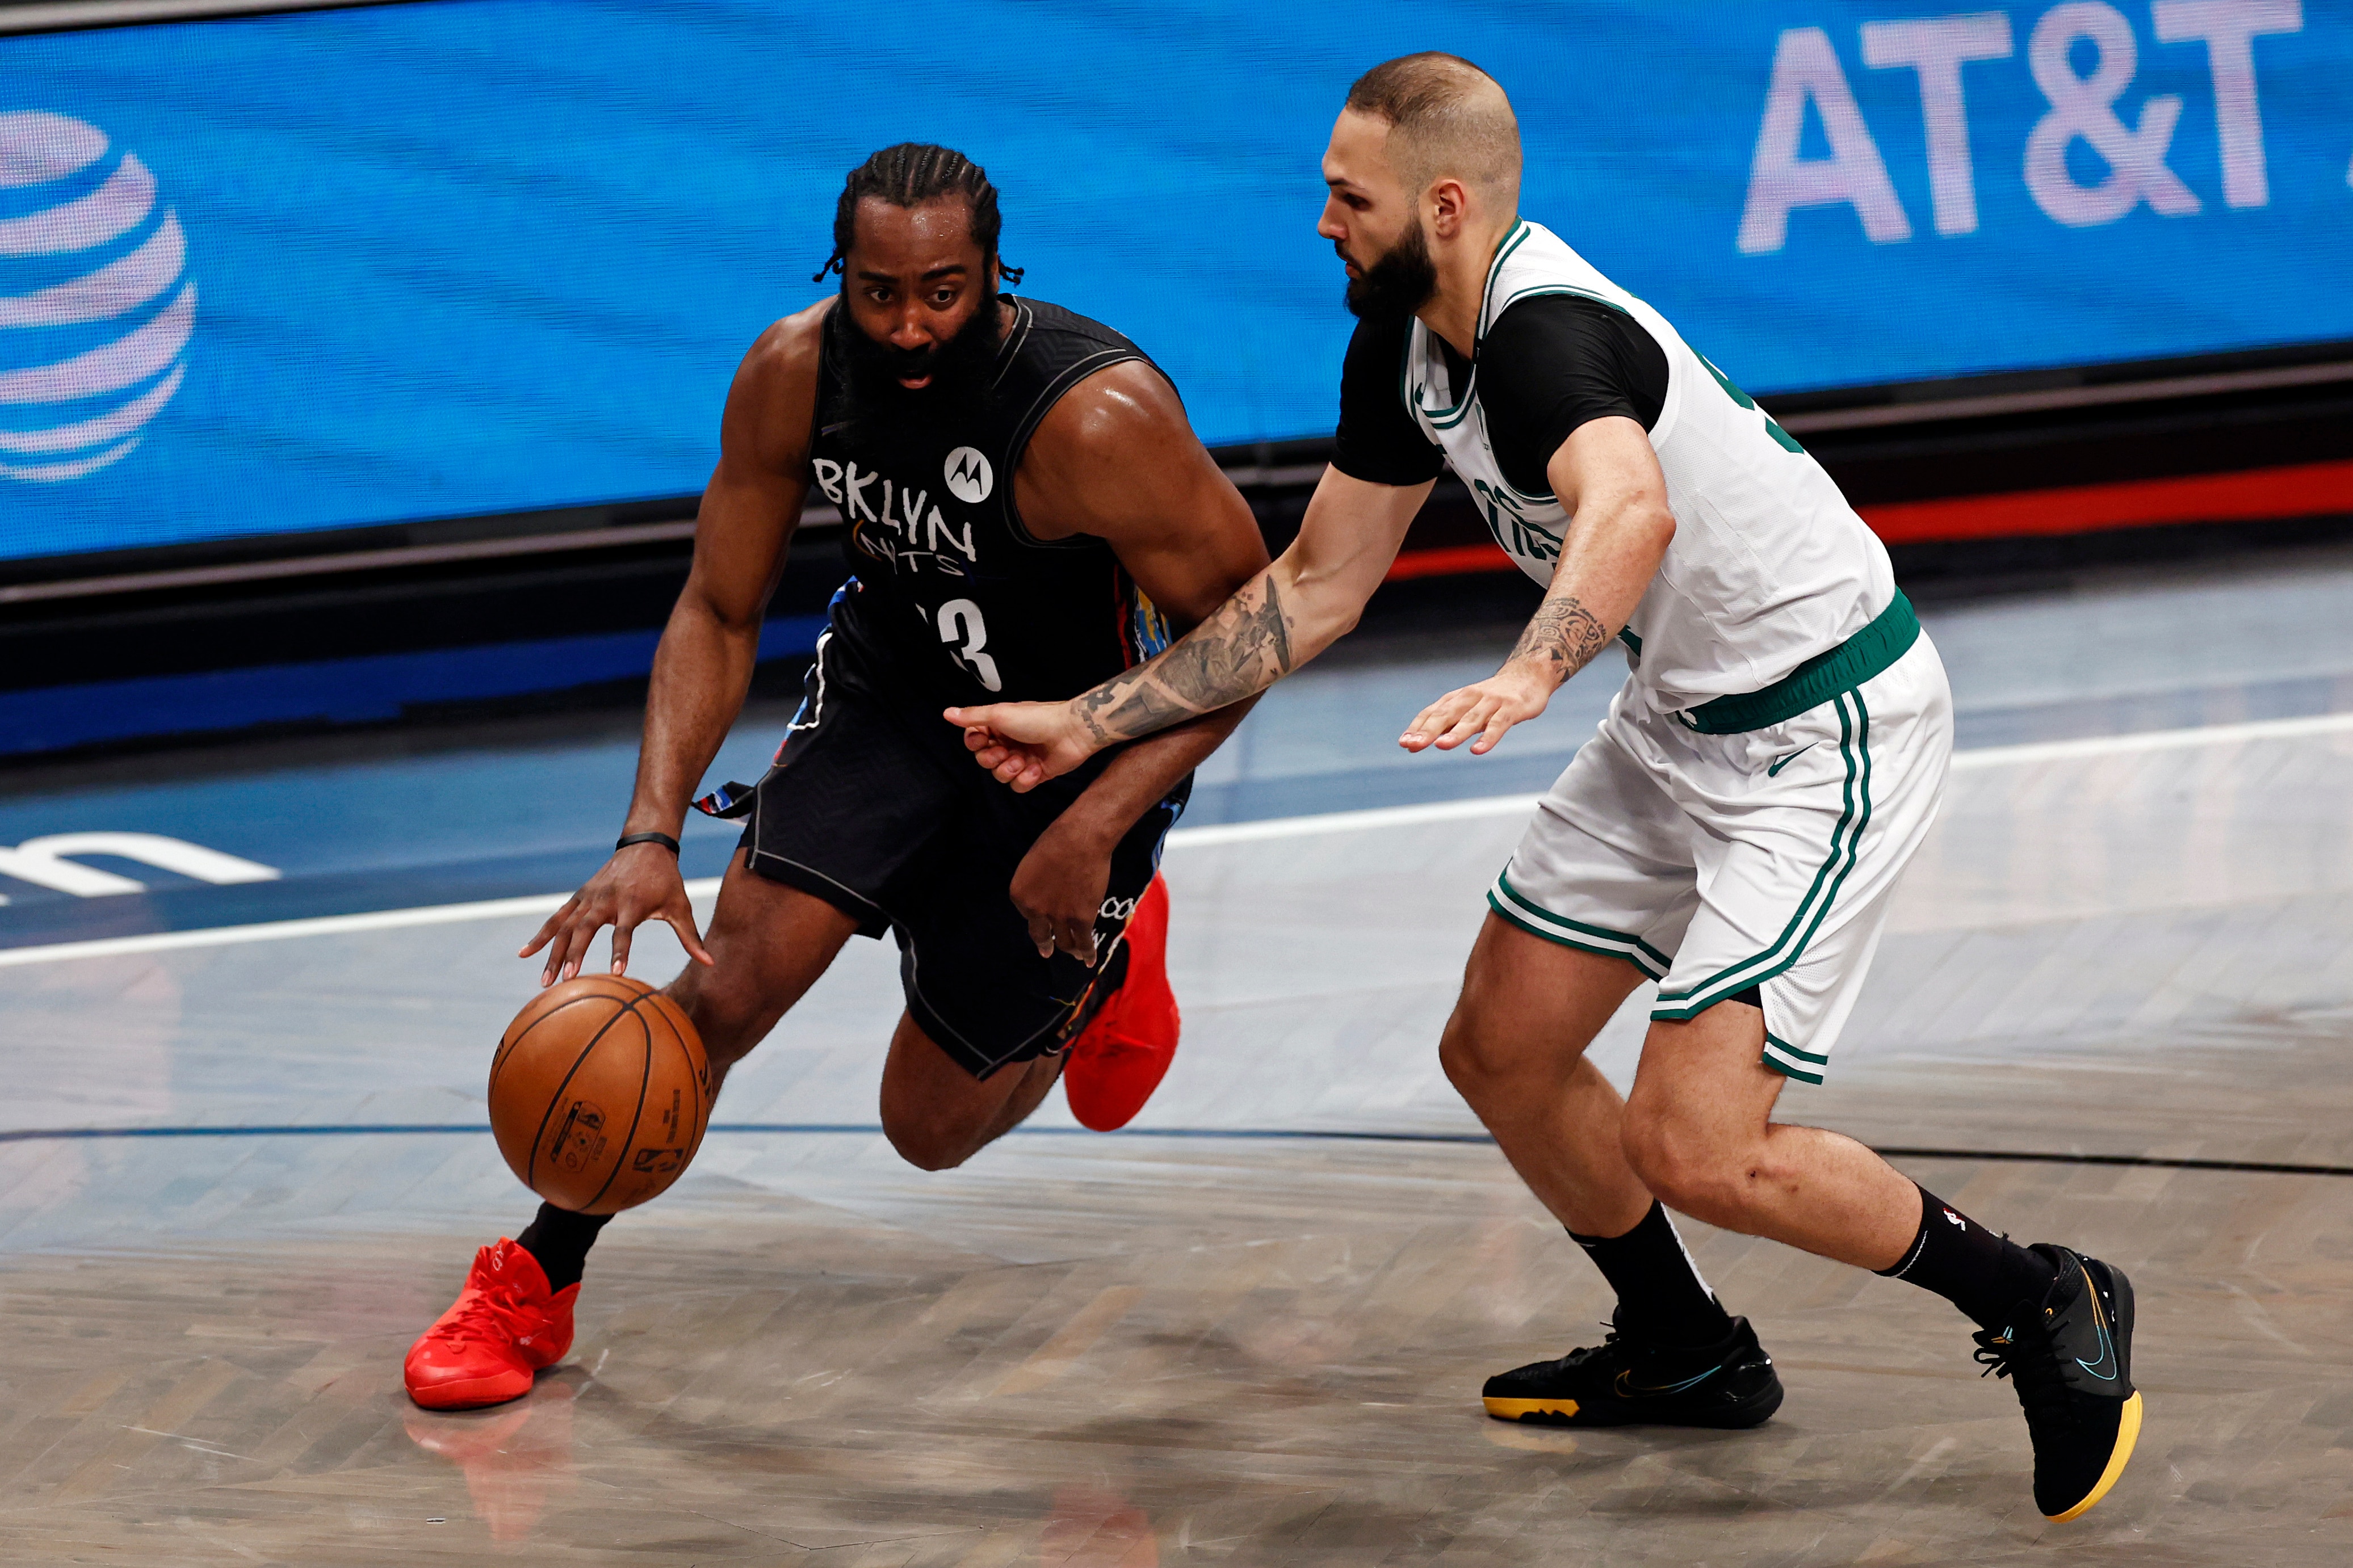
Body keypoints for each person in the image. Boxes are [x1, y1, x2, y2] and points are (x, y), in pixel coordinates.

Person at [942, 58, 2141, 1523]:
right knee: (1502, 1045)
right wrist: (1090, 715)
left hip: (1821, 730)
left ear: (1443, 207)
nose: (1320, 219)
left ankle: (2041, 1299)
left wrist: (1530, 671)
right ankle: (1686, 1346)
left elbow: (1631, 506)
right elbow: (1314, 585)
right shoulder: (1402, 342)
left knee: (1694, 1144)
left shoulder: (1547, 334)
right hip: (1678, 715)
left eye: (1347, 195)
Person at [403, 143, 1269, 1412]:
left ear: (994, 274)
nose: (909, 326)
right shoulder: (793, 374)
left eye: (943, 292)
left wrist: (1097, 822)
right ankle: (534, 1275)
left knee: (928, 1128)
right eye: (878, 292)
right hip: (892, 703)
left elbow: (1249, 638)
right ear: (839, 272)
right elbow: (716, 600)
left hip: (1071, 744)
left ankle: (1109, 964)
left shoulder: (1095, 416)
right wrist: (650, 832)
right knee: (725, 988)